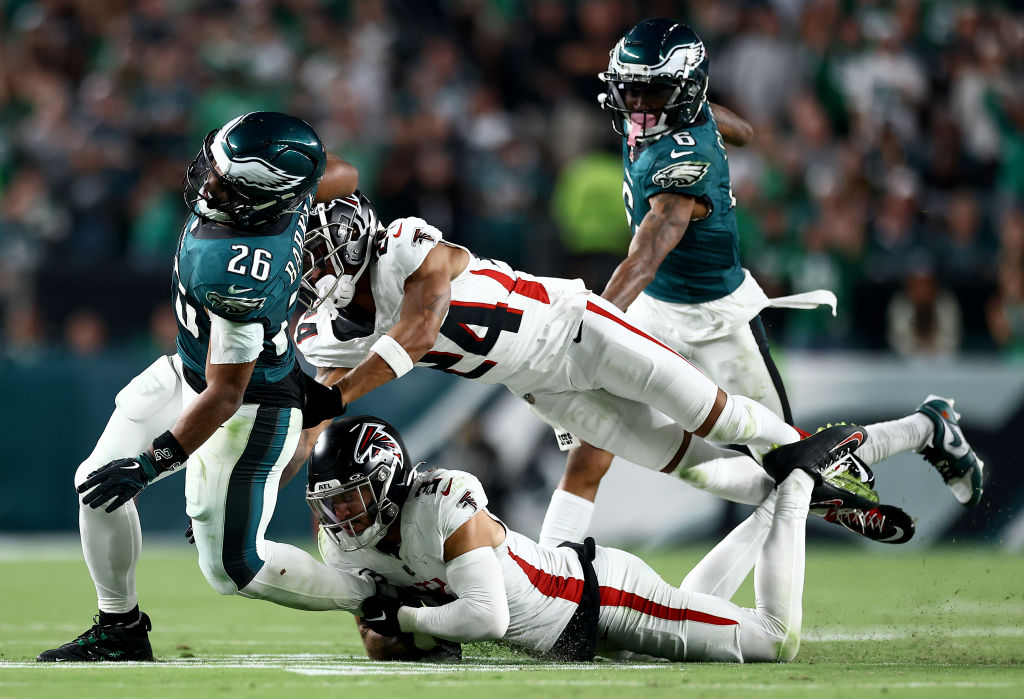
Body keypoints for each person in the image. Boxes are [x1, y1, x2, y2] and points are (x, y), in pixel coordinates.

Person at [290, 195, 982, 545]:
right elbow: (302, 423)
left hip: (576, 325)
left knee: (724, 417)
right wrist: (257, 483)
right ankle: (834, 486)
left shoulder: (407, 242)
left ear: (353, 245)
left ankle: (917, 430)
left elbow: (418, 328)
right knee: (696, 465)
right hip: (540, 383)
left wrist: (332, 394)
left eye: (319, 257)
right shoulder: (331, 333)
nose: (312, 273)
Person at [539, 18, 984, 546]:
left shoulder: (684, 166)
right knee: (592, 440)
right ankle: (549, 577)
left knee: (795, 466)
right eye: (629, 89)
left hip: (715, 320)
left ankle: (929, 428)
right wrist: (716, 120)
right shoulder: (678, 114)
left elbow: (643, 260)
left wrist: (587, 326)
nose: (637, 105)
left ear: (682, 90)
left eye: (651, 91)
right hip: (655, 312)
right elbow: (742, 130)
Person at [38, 112, 361, 663]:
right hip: (191, 367)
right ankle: (119, 626)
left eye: (228, 182)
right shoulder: (291, 197)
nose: (209, 183)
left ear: (264, 199)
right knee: (95, 483)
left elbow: (225, 394)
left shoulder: (236, 269)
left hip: (247, 404)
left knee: (235, 568)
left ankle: (381, 598)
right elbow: (344, 174)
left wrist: (152, 464)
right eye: (215, 166)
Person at [307, 414, 862, 663]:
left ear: (386, 479)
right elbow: (385, 644)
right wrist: (395, 633)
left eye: (350, 497)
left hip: (602, 602)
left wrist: (404, 619)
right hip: (570, 610)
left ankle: (797, 482)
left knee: (774, 640)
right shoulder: (346, 543)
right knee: (703, 610)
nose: (341, 517)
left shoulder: (444, 500)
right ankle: (779, 500)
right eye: (331, 504)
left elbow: (486, 619)